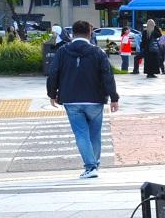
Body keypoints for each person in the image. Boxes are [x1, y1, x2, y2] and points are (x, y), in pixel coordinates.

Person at [45, 20, 120, 179]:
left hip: (71, 99)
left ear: (72, 33)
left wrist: (52, 93)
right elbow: (107, 76)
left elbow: (53, 73)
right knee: (95, 133)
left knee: (81, 134)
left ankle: (90, 166)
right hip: (95, 99)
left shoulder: (63, 51)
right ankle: (94, 164)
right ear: (90, 33)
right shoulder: (98, 52)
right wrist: (114, 97)